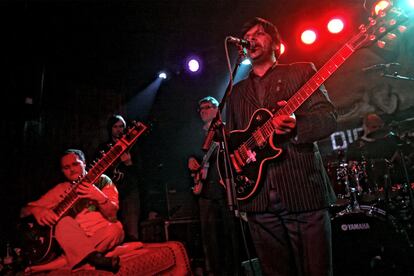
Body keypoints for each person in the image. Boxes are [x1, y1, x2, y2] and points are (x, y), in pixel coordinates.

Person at [225, 17, 337, 276]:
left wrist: (298, 125)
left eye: (259, 34)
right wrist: (235, 166)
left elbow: (328, 119)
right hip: (258, 201)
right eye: (248, 35)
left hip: (302, 191)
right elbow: (231, 139)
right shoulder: (237, 92)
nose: (252, 39)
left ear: (276, 43)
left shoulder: (301, 71)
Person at [20, 149, 124, 272]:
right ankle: (96, 259)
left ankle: (49, 266)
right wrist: (37, 210)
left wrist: (99, 196)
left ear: (84, 163)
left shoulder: (102, 180)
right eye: (66, 167)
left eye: (75, 164)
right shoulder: (60, 190)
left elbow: (112, 214)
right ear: (63, 171)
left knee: (116, 228)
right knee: (63, 222)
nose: (71, 169)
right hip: (75, 239)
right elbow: (23, 211)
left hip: (101, 234)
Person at [188, 96, 240, 275]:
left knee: (230, 235)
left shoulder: (226, 131)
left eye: (207, 107)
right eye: (201, 108)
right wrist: (190, 161)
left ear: (217, 110)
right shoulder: (195, 135)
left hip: (225, 190)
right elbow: (189, 155)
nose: (203, 111)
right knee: (210, 239)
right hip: (205, 192)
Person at [96, 114, 143, 241]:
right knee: (112, 232)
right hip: (110, 194)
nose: (119, 129)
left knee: (132, 231)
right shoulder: (104, 148)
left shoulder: (133, 147)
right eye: (115, 126)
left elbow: (141, 172)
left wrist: (129, 163)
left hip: (129, 192)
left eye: (122, 126)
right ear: (110, 129)